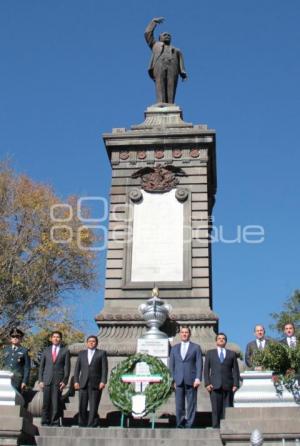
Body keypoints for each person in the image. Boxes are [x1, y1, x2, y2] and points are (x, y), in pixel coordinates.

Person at [145, 17, 187, 104]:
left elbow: (180, 61)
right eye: (165, 35)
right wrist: (153, 22)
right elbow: (147, 34)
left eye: (169, 35)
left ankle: (170, 104)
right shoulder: (155, 45)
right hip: (159, 64)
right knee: (160, 83)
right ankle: (160, 103)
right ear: (160, 38)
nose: (167, 36)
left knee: (172, 84)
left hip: (172, 66)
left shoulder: (176, 50)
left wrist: (183, 72)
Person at [204, 333, 240, 428]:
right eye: (219, 338)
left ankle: (227, 427)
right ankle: (216, 427)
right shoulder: (210, 353)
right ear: (216, 341)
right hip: (214, 386)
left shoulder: (231, 354)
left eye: (223, 338)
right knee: (216, 409)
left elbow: (236, 370)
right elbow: (206, 370)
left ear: (226, 341)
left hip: (228, 386)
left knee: (227, 408)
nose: (221, 340)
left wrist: (236, 384)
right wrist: (207, 383)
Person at [169, 326, 202, 428]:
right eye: (182, 332)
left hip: (191, 379)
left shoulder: (196, 347)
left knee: (191, 404)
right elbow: (171, 365)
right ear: (180, 334)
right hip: (178, 380)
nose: (184, 334)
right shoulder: (174, 348)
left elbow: (199, 363)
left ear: (189, 334)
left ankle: (189, 423)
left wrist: (198, 378)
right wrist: (172, 379)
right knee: (179, 404)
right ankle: (180, 423)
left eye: (186, 332)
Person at [74, 335, 108, 427]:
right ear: (87, 343)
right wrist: (76, 381)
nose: (91, 343)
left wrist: (103, 381)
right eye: (90, 341)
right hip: (83, 382)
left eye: (93, 341)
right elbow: (77, 369)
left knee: (94, 405)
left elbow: (104, 369)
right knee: (82, 404)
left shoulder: (101, 353)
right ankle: (82, 422)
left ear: (96, 343)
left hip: (96, 383)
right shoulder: (81, 353)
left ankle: (92, 423)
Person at [38, 331, 70, 426]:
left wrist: (65, 381)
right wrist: (40, 380)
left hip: (58, 380)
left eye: (58, 337)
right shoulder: (46, 350)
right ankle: (45, 421)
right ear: (51, 338)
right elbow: (41, 367)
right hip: (47, 379)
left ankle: (55, 421)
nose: (56, 339)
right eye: (54, 337)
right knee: (46, 402)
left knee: (56, 403)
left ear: (60, 339)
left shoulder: (65, 351)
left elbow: (66, 367)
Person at [3, 328, 30, 393]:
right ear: (11, 338)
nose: (15, 338)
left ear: (21, 338)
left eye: (17, 336)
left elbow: (27, 368)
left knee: (14, 399)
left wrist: (24, 381)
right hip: (4, 378)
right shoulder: (5, 349)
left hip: (17, 380)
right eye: (13, 336)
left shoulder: (24, 351)